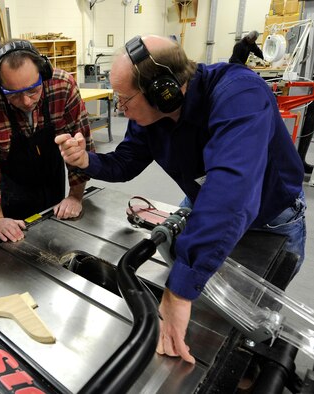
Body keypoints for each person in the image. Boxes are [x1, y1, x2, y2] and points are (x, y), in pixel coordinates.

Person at [55, 35, 306, 364]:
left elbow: (232, 191)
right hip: (205, 203)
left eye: (124, 99)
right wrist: (87, 162)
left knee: (251, 317)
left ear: (164, 91)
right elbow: (125, 163)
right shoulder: (153, 117)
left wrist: (179, 291)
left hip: (271, 222)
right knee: (206, 303)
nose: (120, 108)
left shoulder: (240, 93)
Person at [0, 39, 94, 242]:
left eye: (33, 90)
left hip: (52, 177)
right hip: (13, 188)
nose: (26, 101)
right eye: (14, 94)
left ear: (43, 73)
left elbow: (81, 144)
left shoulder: (62, 86)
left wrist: (75, 196)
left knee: (58, 237)